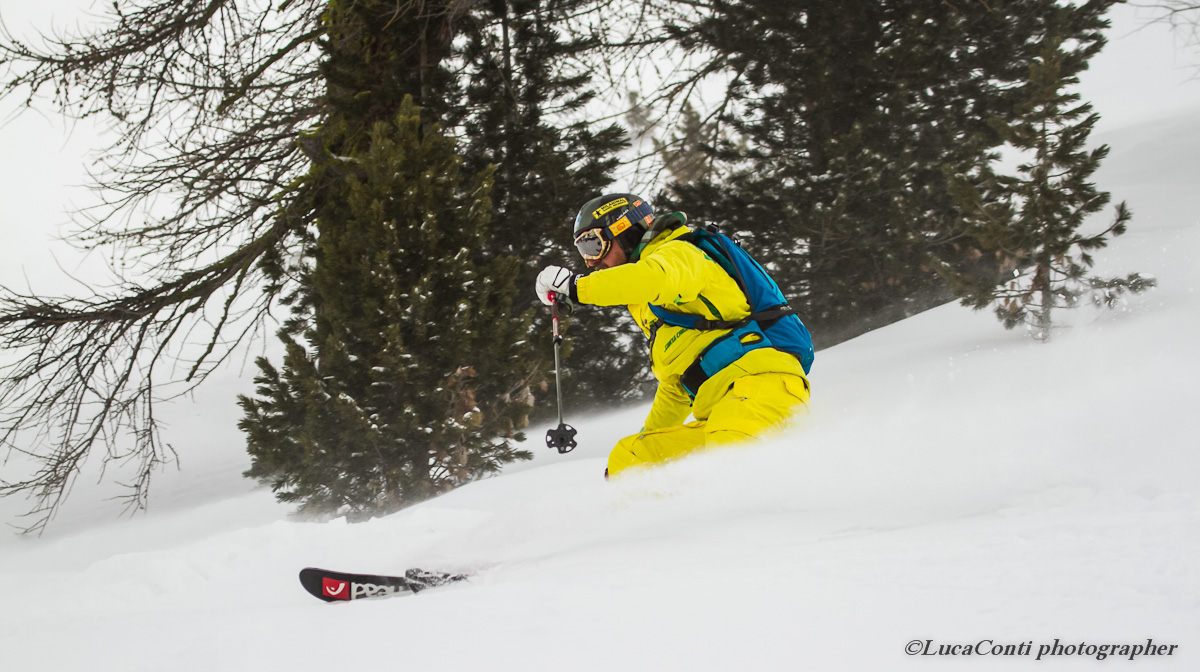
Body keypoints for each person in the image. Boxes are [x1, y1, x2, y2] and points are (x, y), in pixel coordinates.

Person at [535, 193, 812, 478]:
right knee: (632, 459)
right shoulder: (652, 308)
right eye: (583, 252)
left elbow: (656, 277)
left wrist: (577, 287)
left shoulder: (681, 254)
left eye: (593, 245)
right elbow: (678, 386)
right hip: (720, 411)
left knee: (730, 462)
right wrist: (649, 439)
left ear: (625, 229)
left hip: (761, 387)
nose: (591, 262)